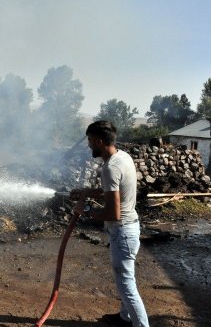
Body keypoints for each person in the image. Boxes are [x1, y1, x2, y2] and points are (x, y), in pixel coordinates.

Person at [72, 121, 149, 327]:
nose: (88, 145)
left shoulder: (110, 168)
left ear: (98, 141)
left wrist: (86, 210)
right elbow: (115, 192)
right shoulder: (123, 157)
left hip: (122, 231)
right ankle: (125, 318)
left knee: (126, 286)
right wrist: (87, 192)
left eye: (89, 141)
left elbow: (113, 213)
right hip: (130, 228)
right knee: (126, 279)